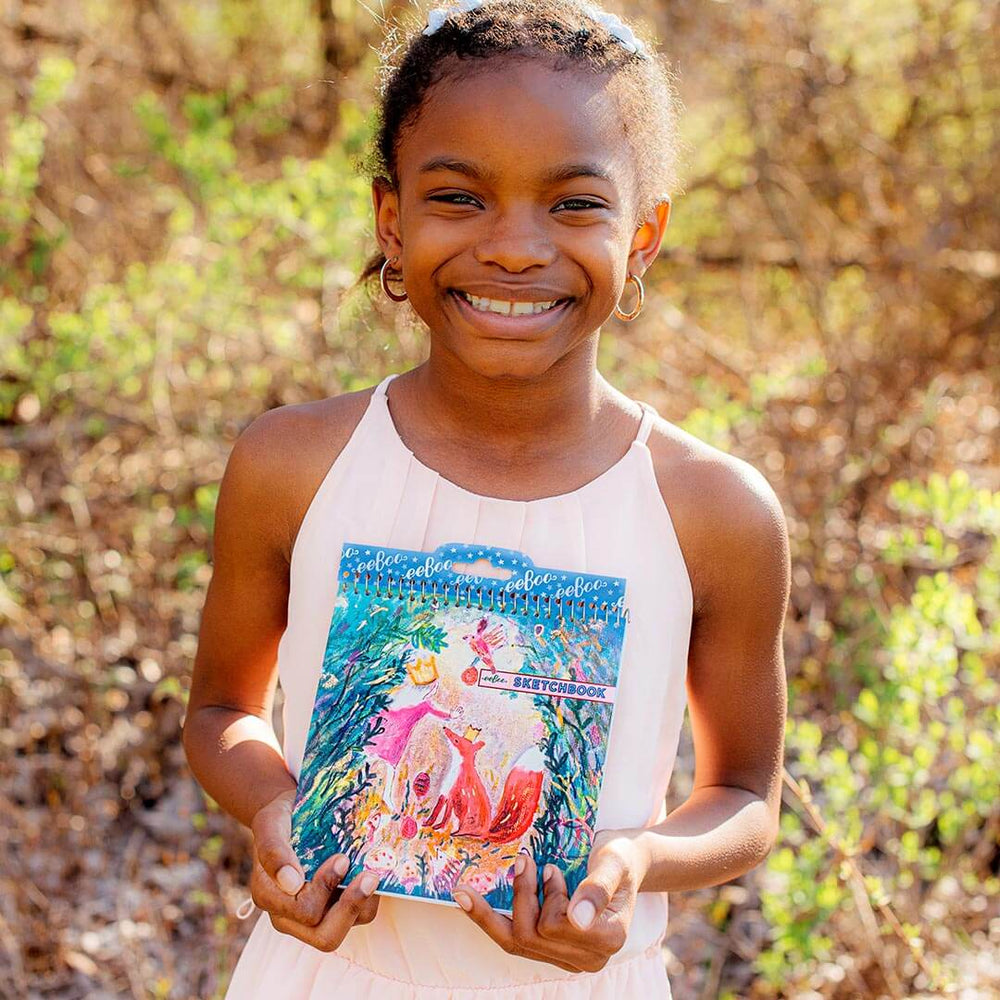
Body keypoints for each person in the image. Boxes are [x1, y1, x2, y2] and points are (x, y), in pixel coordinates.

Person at [182, 1, 790, 996]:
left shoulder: (713, 510)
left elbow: (741, 795)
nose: (514, 247)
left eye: (573, 204)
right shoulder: (291, 464)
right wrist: (273, 810)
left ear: (642, 237)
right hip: (326, 973)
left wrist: (631, 865)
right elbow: (218, 710)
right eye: (459, 198)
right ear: (391, 220)